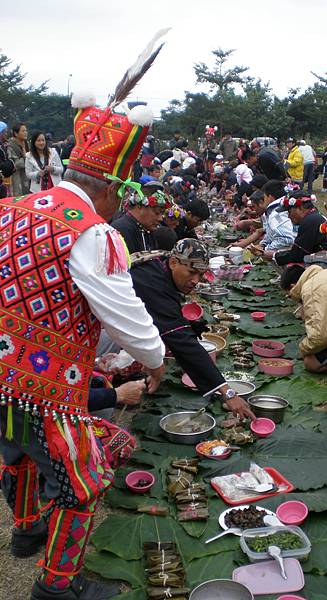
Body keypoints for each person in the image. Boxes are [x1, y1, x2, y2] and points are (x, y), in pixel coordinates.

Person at [0, 37, 168, 599]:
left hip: (1, 369)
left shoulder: (13, 208)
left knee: (17, 455)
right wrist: (156, 359)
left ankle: (26, 533)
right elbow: (126, 317)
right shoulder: (91, 231)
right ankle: (58, 586)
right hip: (51, 383)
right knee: (87, 483)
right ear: (112, 187)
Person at [130, 239, 255, 419]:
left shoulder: (162, 264)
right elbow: (182, 340)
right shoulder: (151, 281)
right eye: (191, 272)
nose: (196, 281)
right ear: (173, 263)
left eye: (201, 275)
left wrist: (154, 365)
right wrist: (228, 392)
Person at [271, 190, 327, 264]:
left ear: (300, 208)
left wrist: (273, 255)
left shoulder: (310, 221)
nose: (289, 216)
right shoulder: (314, 216)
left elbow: (297, 255)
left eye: (289, 212)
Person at [112, 181, 171, 254]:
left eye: (162, 214)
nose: (160, 219)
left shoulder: (147, 230)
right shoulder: (122, 230)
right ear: (139, 206)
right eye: (157, 213)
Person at [7, 122, 30, 196]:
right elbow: (15, 163)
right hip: (16, 177)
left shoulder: (27, 144)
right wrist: (27, 159)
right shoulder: (10, 146)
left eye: (26, 131)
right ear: (16, 133)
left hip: (27, 175)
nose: (25, 133)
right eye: (23, 131)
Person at [0, 121, 15, 199]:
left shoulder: (3, 146)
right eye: (5, 132)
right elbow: (5, 168)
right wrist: (11, 163)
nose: (6, 134)